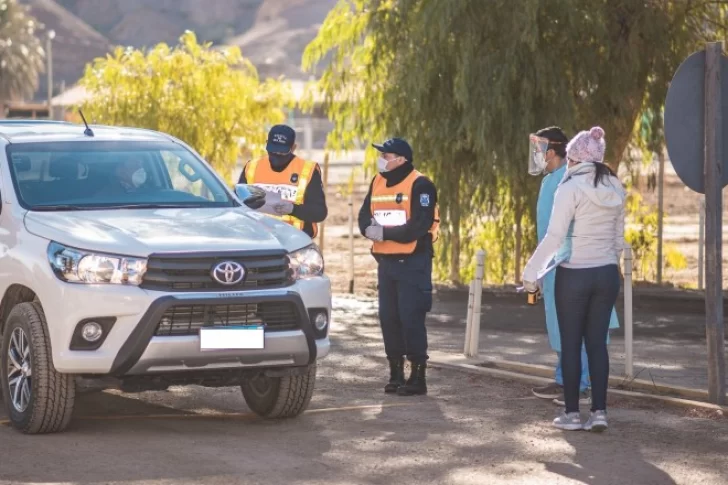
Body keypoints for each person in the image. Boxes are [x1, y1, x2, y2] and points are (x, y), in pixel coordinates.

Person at [523, 126, 625, 432]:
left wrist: (531, 274)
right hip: (606, 273)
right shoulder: (615, 186)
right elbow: (618, 241)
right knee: (597, 344)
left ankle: (570, 414)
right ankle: (600, 412)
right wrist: (607, 261)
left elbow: (555, 236)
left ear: (576, 158)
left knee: (570, 343)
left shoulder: (568, 186)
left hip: (574, 273)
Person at [358, 138, 439, 396]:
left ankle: (417, 378)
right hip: (387, 262)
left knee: (411, 318)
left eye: (387, 154)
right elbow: (364, 216)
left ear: (401, 159)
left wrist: (385, 233)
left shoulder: (421, 185)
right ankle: (395, 374)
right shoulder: (377, 181)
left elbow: (419, 225)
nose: (382, 158)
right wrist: (369, 230)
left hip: (413, 263)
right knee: (389, 319)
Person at [239, 124, 327, 238]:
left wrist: (293, 209)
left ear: (293, 148)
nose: (276, 155)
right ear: (266, 144)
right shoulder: (252, 167)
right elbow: (237, 203)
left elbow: (319, 213)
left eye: (281, 152)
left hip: (294, 242)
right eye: (273, 151)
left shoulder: (307, 170)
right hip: (258, 238)